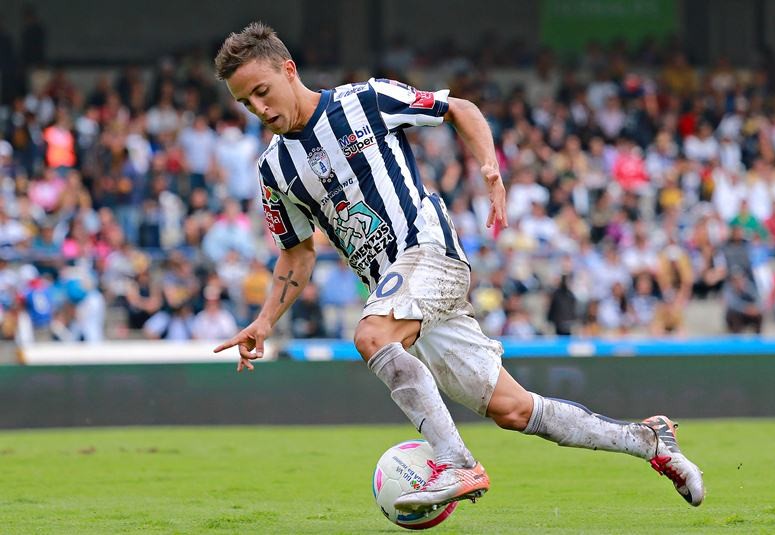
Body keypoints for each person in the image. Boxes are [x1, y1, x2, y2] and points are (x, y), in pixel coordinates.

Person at [212, 22, 704, 513]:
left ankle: (454, 462)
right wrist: (265, 321)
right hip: (399, 294)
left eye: (261, 91)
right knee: (514, 410)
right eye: (245, 103)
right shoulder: (273, 169)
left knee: (371, 337)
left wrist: (490, 168)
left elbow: (459, 109)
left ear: (288, 70)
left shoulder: (366, 100)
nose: (259, 108)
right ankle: (650, 440)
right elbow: (297, 253)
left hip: (429, 252)